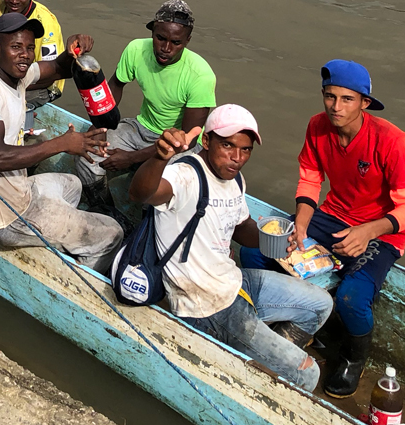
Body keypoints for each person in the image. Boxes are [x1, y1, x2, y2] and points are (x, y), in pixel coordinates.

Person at [239, 60, 405, 398]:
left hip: (382, 232)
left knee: (353, 298)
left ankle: (354, 357)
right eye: (329, 97)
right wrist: (302, 223)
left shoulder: (392, 140)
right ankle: (278, 317)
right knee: (258, 249)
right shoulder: (317, 127)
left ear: (365, 102)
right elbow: (310, 177)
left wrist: (367, 232)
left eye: (347, 99)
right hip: (331, 216)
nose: (336, 108)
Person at [129, 106, 334, 392]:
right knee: (307, 375)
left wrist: (272, 240)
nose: (237, 158)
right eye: (227, 145)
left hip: (234, 282)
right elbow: (142, 192)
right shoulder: (185, 174)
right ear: (207, 141)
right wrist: (158, 157)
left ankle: (259, 362)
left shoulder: (233, 177)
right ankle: (258, 369)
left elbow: (239, 227)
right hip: (204, 304)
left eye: (246, 150)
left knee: (321, 304)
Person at [0, 13, 123, 270]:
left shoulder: (17, 76)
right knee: (113, 233)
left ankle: (56, 235)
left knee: (72, 184)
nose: (25, 54)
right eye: (16, 47)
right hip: (4, 216)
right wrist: (62, 144)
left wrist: (71, 51)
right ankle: (70, 278)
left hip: (20, 189)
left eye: (29, 47)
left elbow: (58, 69)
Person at [75, 0, 216, 218]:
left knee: (156, 189)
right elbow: (115, 88)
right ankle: (106, 213)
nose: (166, 48)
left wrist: (132, 158)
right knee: (88, 156)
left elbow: (187, 141)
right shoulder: (136, 50)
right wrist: (99, 128)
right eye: (160, 38)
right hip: (141, 128)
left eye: (176, 42)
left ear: (187, 41)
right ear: (152, 32)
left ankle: (144, 232)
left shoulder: (200, 76)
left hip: (179, 145)